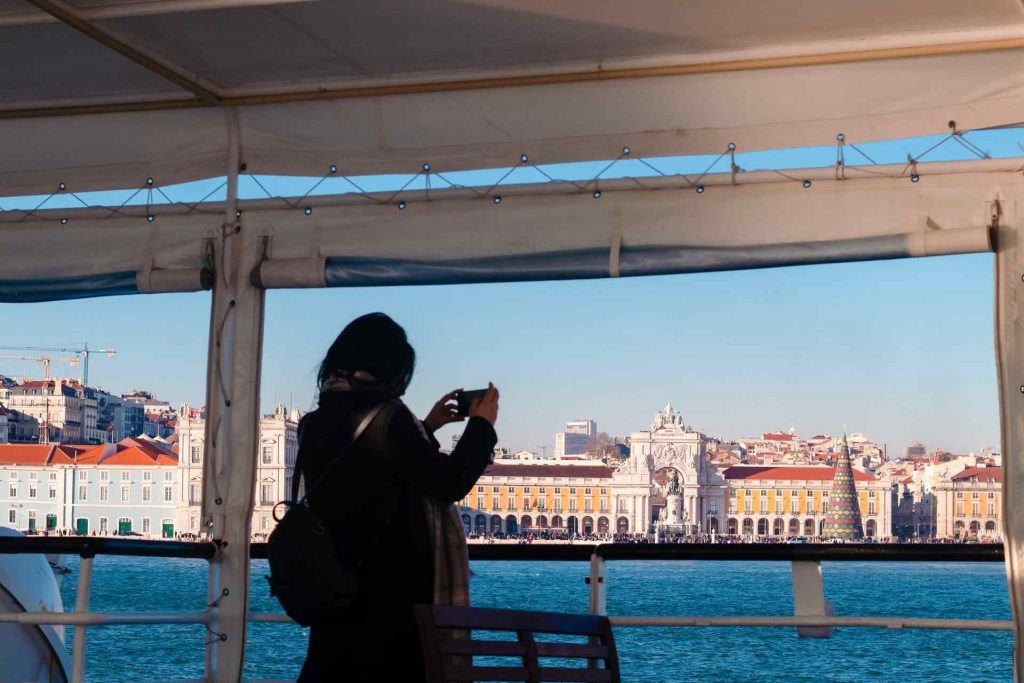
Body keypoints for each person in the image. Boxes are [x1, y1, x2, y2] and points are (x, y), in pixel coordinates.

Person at [295, 312, 499, 682]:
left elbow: (370, 467)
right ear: (384, 368)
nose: (402, 389)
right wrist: (482, 426)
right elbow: (449, 483)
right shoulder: (391, 418)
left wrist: (426, 427)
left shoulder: (312, 423)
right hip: (392, 593)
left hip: (332, 583)